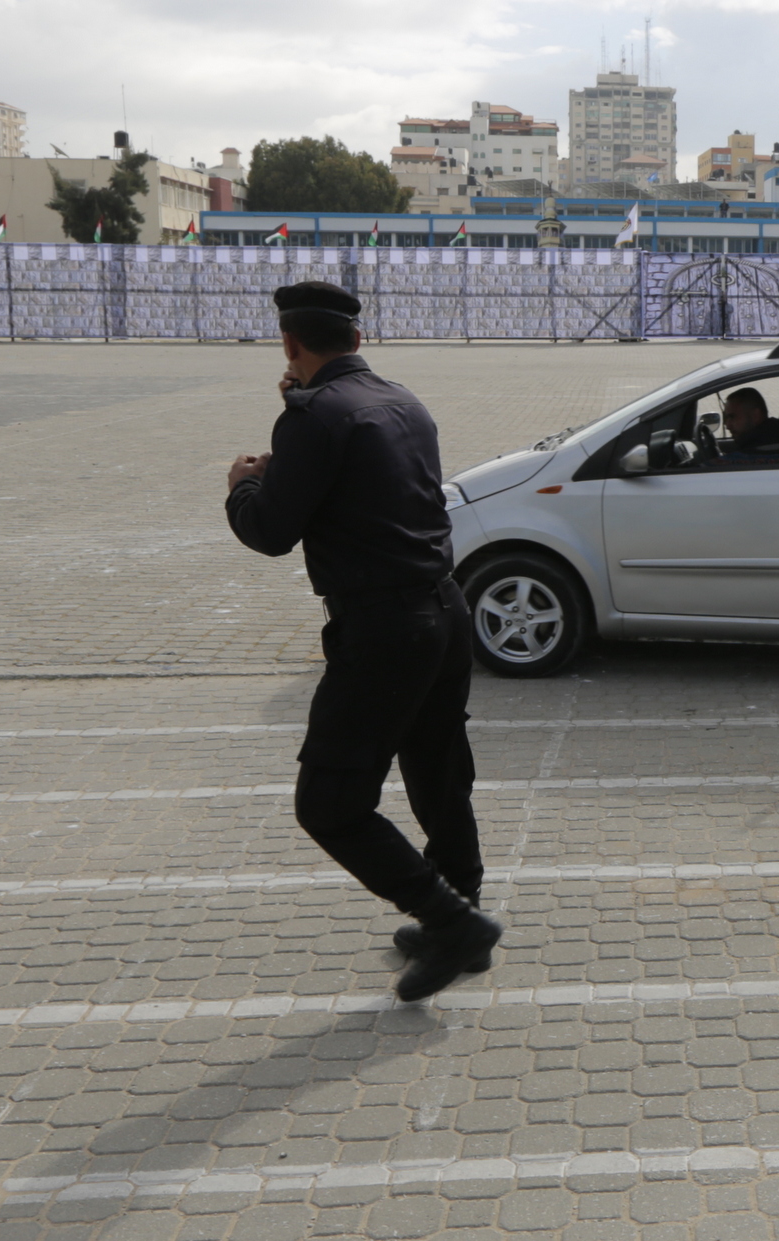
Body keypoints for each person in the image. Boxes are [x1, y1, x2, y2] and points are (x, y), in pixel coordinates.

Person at [225, 281, 501, 1003]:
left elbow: (271, 531)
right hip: (444, 612)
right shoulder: (402, 399)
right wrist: (297, 412)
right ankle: (459, 912)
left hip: (384, 630)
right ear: (355, 339)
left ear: (291, 344)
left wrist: (242, 486)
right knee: (438, 772)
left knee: (329, 802)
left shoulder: (314, 417)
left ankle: (453, 922)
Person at [721, 387, 779, 454]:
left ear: (755, 416)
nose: (728, 426)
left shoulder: (759, 454)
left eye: (732, 417)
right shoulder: (776, 441)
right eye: (726, 418)